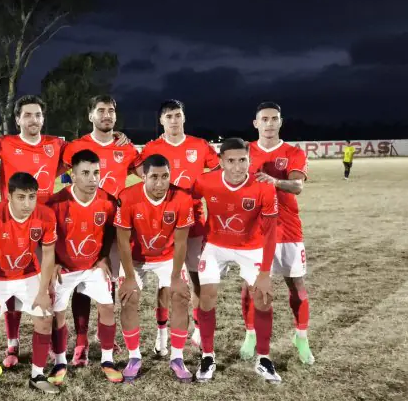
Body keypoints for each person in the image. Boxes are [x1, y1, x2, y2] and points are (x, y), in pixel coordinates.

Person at [191, 138, 281, 382]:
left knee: (263, 298)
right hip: (215, 245)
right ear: (221, 162)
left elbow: (270, 233)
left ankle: (263, 359)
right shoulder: (206, 181)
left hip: (251, 247)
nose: (237, 166)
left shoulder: (263, 187)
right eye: (231, 161)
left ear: (249, 160)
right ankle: (207, 356)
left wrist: (265, 273)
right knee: (207, 296)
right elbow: (187, 199)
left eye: (243, 160)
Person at [134, 100, 219, 348]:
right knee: (165, 281)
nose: (174, 120)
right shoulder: (152, 148)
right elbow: (138, 171)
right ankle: (162, 332)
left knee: (196, 276)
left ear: (184, 118)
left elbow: (217, 172)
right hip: (162, 224)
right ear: (161, 120)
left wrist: (202, 188)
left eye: (178, 115)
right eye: (169, 116)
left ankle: (199, 328)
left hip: (194, 221)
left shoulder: (199, 145)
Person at [61, 94, 139, 363]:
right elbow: (55, 172)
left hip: (114, 225)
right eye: (101, 110)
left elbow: (147, 174)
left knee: (109, 280)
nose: (106, 115)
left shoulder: (126, 148)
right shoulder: (76, 147)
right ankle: (81, 340)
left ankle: (104, 334)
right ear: (90, 115)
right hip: (82, 226)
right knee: (81, 283)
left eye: (111, 111)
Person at [0, 172, 59, 401]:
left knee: (45, 318)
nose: (27, 204)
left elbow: (48, 254)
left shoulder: (45, 215)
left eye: (32, 197)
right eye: (21, 197)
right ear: (9, 196)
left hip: (28, 273)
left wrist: (43, 291)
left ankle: (37, 375)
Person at [241, 101, 314, 365]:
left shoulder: (293, 152)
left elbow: (297, 186)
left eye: (274, 119)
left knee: (296, 285)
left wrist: (275, 182)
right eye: (264, 119)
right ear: (256, 123)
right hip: (255, 230)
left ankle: (301, 337)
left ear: (280, 122)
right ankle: (250, 335)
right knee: (251, 286)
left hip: (287, 229)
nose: (269, 123)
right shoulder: (245, 151)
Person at [115, 154, 194, 382]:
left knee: (180, 296)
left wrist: (176, 277)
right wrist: (130, 278)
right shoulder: (127, 197)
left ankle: (177, 357)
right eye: (154, 177)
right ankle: (134, 356)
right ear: (144, 177)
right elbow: (122, 241)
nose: (160, 183)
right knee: (129, 298)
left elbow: (181, 242)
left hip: (168, 256)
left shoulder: (182, 198)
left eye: (165, 176)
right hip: (136, 258)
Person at [47, 149, 122, 382]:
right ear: (74, 175)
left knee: (107, 307)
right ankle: (60, 362)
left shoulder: (108, 201)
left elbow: (110, 230)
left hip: (92, 267)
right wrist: (53, 262)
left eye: (96, 173)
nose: (92, 178)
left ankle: (107, 360)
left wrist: (103, 256)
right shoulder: (56, 203)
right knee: (58, 313)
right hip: (64, 268)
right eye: (86, 173)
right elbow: (46, 237)